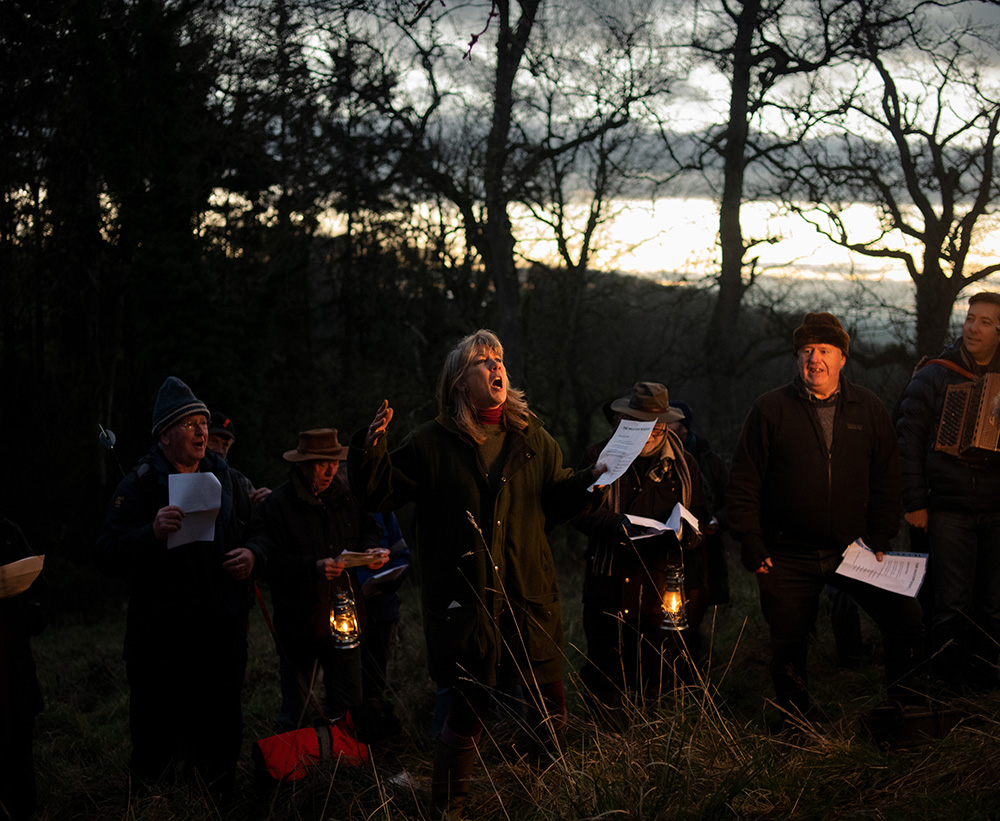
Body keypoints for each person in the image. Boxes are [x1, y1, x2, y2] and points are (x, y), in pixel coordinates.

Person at [348, 329, 605, 820]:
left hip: (528, 596)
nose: (495, 367)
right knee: (468, 708)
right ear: (458, 383)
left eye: (499, 359)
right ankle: (451, 808)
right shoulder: (430, 443)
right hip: (465, 603)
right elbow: (379, 493)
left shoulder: (534, 437)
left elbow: (557, 498)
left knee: (550, 707)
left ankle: (545, 798)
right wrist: (370, 448)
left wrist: (591, 482)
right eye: (482, 361)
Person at [727, 312, 924, 718]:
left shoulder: (867, 408)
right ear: (797, 355)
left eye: (824, 350)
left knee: (905, 617)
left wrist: (880, 535)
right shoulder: (770, 409)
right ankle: (797, 725)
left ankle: (904, 711)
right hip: (787, 554)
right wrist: (751, 539)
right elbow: (744, 482)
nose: (814, 359)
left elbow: (888, 476)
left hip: (854, 549)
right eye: (806, 350)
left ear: (842, 358)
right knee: (788, 642)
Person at [94, 376, 266, 803]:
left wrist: (252, 556)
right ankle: (155, 808)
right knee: (156, 744)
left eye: (203, 423)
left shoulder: (225, 478)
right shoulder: (139, 486)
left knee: (221, 737)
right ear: (165, 434)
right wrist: (149, 533)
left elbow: (259, 530)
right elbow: (106, 554)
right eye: (189, 424)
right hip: (160, 643)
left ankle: (217, 805)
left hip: (220, 636)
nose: (202, 431)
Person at [575, 382, 708, 724]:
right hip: (609, 582)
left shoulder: (685, 464)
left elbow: (700, 513)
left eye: (658, 424)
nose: (650, 432)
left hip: (660, 587)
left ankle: (652, 740)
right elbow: (580, 512)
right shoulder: (598, 457)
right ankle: (605, 745)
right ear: (624, 422)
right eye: (640, 423)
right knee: (607, 669)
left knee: (659, 671)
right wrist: (617, 525)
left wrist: (690, 534)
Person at [896, 291, 1000, 693]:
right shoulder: (936, 373)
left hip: (997, 506)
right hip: (948, 508)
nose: (973, 327)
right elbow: (907, 441)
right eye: (971, 318)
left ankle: (986, 682)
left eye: (985, 322)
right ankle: (946, 684)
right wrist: (915, 503)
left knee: (992, 602)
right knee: (950, 602)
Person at [260, 429, 387, 732]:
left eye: (334, 462)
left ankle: (345, 768)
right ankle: (292, 769)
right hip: (299, 623)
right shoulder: (278, 505)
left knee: (348, 707)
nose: (330, 470)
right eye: (321, 463)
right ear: (303, 464)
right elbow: (268, 562)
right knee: (297, 710)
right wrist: (312, 567)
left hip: (345, 618)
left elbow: (370, 528)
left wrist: (370, 550)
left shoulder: (346, 496)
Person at [0, 515, 47, 821]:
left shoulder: (7, 531)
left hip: (15, 671)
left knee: (19, 752)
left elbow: (39, 592)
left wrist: (31, 614)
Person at [667, 400, 731, 607]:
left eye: (670, 422)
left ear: (684, 428)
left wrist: (718, 520)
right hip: (671, 547)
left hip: (706, 548)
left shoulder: (709, 459)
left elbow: (730, 500)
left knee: (702, 609)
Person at [207, 411, 271, 504]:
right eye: (214, 441)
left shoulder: (238, 482)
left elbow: (257, 513)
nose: (219, 450)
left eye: (225, 445)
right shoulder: (187, 474)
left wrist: (269, 500)